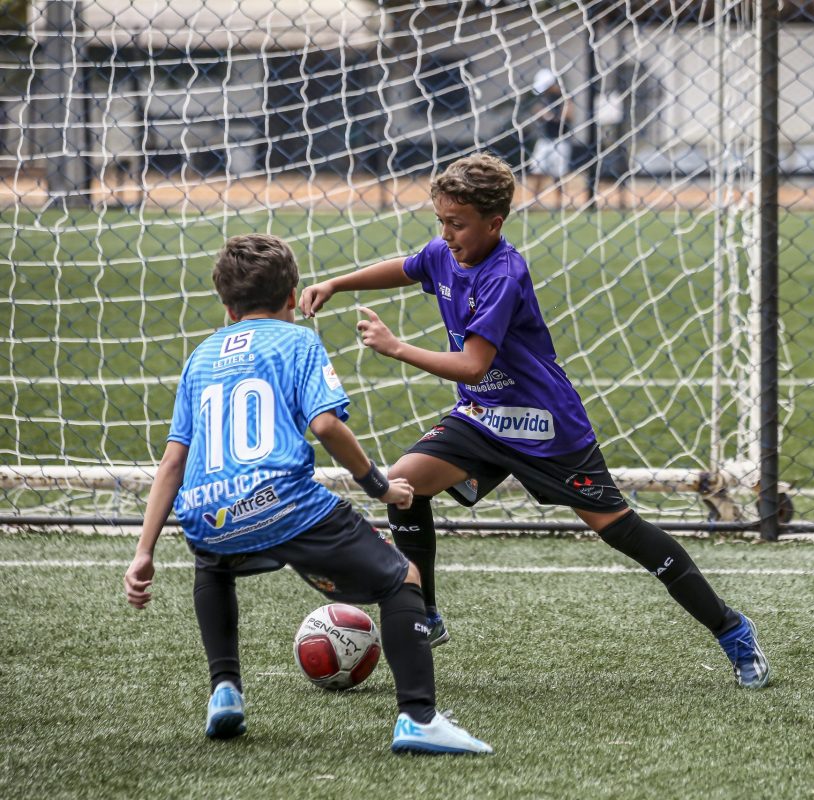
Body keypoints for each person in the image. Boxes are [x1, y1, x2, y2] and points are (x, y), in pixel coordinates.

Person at [299, 154, 770, 690]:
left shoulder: (504, 274)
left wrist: (397, 347)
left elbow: (473, 365)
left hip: (545, 426)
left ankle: (731, 629)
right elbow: (410, 266)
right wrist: (337, 283)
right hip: (482, 418)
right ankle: (424, 612)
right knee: (403, 485)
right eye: (441, 221)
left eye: (457, 224)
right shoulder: (444, 252)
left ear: (494, 223)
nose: (446, 234)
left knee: (622, 531)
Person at [122, 233, 492, 754]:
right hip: (283, 500)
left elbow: (173, 462)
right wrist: (379, 486)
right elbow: (326, 425)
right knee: (402, 578)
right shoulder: (298, 342)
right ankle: (419, 718)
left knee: (213, 564)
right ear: (293, 297)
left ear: (227, 307)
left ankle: (225, 689)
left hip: (206, 513)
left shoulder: (200, 357)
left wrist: (144, 551)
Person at [526, 68, 573, 208]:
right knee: (537, 171)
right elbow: (536, 110)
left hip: (560, 140)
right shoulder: (543, 98)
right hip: (544, 139)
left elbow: (568, 115)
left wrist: (551, 116)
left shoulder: (564, 96)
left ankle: (559, 203)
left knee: (559, 175)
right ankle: (533, 202)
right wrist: (542, 114)